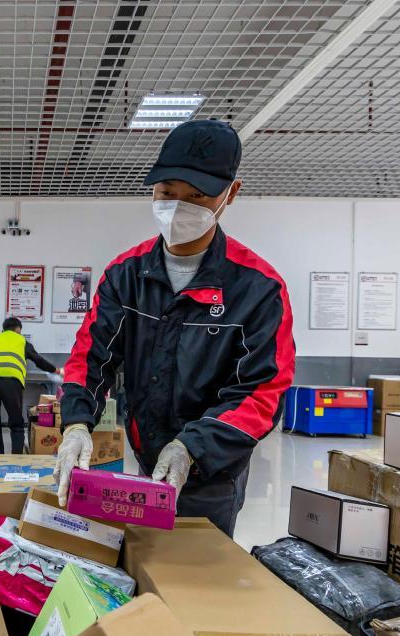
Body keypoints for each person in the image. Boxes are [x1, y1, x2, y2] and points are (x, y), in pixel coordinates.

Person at [55, 120, 295, 537]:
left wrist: (191, 447)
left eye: (197, 196)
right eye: (167, 193)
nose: (179, 207)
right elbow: (90, 359)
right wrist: (77, 423)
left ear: (231, 194)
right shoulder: (125, 275)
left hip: (212, 471)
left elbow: (262, 392)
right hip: (146, 455)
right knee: (146, 554)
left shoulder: (258, 289)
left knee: (194, 565)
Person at [0, 317, 62, 454]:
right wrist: (55, 370)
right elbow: (38, 360)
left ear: (3, 329)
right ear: (18, 329)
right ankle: (16, 457)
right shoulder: (22, 341)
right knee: (16, 422)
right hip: (12, 382)